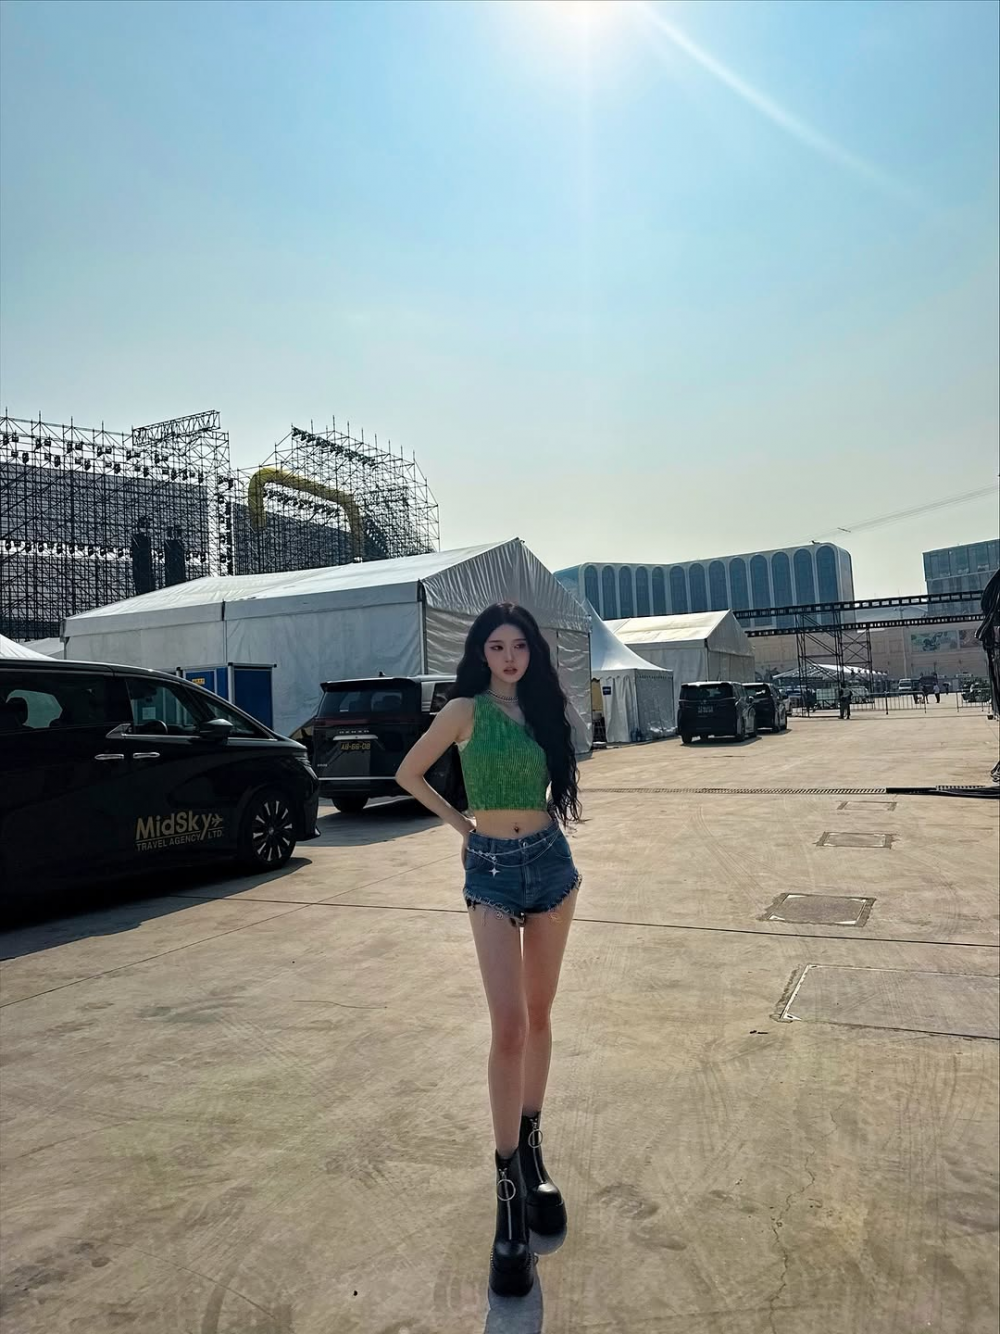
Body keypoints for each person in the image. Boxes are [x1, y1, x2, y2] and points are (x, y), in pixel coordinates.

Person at [395, 602, 582, 1298]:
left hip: (551, 865)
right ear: (481, 653)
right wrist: (464, 828)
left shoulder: (545, 709)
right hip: (493, 872)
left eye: (519, 646)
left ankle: (532, 1153)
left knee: (539, 1015)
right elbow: (410, 774)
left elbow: (557, 783)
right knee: (507, 1027)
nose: (509, 657)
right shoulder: (462, 710)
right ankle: (508, 1193)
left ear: (532, 652)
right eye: (497, 646)